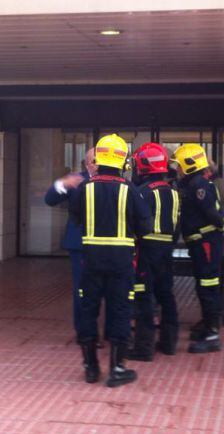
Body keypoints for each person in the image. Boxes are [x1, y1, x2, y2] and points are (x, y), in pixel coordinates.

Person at [69, 134, 152, 388]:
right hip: (121, 263)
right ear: (123, 161)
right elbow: (146, 227)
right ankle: (117, 368)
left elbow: (75, 218)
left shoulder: (84, 188)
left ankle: (91, 367)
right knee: (120, 311)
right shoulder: (131, 190)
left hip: (91, 261)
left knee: (88, 310)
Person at [128, 142, 181, 360]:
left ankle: (144, 347)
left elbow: (135, 224)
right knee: (166, 295)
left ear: (143, 165)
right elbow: (177, 226)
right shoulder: (174, 193)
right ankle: (169, 343)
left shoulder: (141, 193)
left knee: (144, 297)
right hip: (166, 250)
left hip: (146, 251)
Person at [174, 143, 224, 354]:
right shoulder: (194, 184)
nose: (176, 169)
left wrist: (222, 224)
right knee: (203, 285)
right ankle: (208, 324)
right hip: (201, 243)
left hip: (206, 242)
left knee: (207, 286)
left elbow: (209, 213)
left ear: (189, 164)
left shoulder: (199, 185)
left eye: (179, 165)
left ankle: (212, 333)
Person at [44, 148, 97, 334]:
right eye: (94, 160)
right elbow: (49, 199)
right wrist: (62, 183)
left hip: (106, 244)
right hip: (80, 244)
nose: (98, 164)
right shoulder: (77, 179)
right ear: (87, 163)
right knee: (82, 289)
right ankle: (85, 333)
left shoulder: (114, 179)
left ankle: (109, 332)